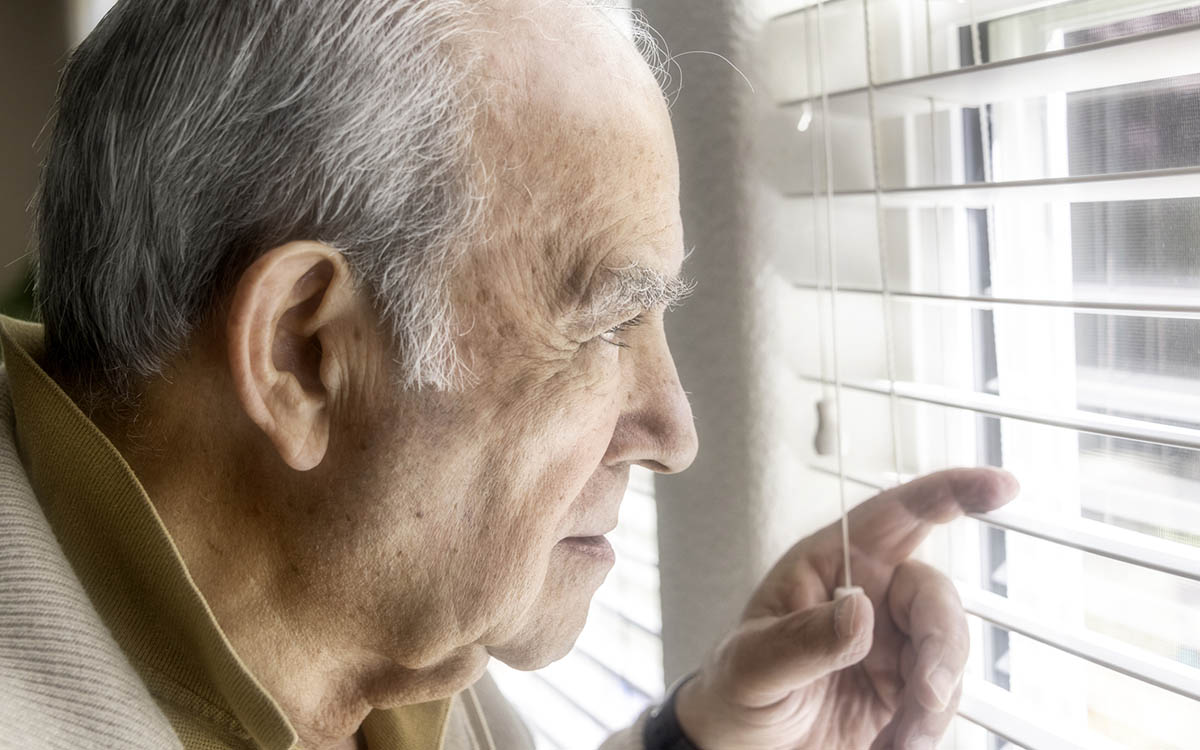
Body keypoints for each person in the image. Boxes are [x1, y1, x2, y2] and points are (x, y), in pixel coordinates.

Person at [0, 1, 1019, 748]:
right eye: (608, 322)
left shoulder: (374, 616)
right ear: (303, 356)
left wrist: (704, 742)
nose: (675, 430)